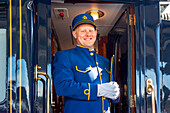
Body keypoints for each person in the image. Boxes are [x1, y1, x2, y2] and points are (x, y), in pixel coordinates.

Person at [53, 13, 120, 113]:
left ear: (96, 32)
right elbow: (62, 87)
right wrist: (96, 90)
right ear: (75, 34)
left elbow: (109, 92)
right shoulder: (64, 56)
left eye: (91, 30)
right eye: (83, 31)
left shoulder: (105, 61)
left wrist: (116, 95)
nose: (88, 34)